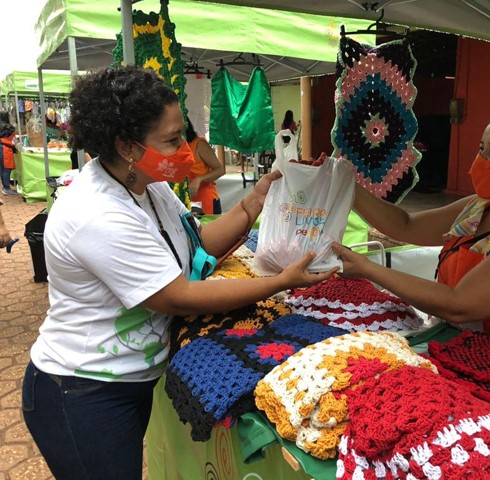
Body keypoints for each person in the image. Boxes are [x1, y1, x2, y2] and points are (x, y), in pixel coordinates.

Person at [21, 66, 337, 480]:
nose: (185, 151)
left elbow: (196, 245)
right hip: (81, 390)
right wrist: (279, 282)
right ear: (127, 146)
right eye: (171, 140)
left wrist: (252, 204)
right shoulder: (95, 213)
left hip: (125, 382)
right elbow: (178, 296)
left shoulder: (149, 188)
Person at [333, 109, 490, 342]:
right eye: (481, 149)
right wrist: (346, 185)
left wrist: (368, 269)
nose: (480, 162)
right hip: (453, 346)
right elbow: (405, 226)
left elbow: (460, 305)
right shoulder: (477, 206)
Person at [185, 117, 225, 214]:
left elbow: (220, 170)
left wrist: (199, 179)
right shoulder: (172, 149)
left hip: (206, 201)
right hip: (184, 202)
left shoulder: (198, 144)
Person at [0, 111, 18, 196]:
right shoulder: (6, 127)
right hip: (5, 148)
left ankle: (5, 187)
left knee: (3, 169)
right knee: (6, 169)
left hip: (2, 148)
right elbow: (13, 132)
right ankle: (6, 188)